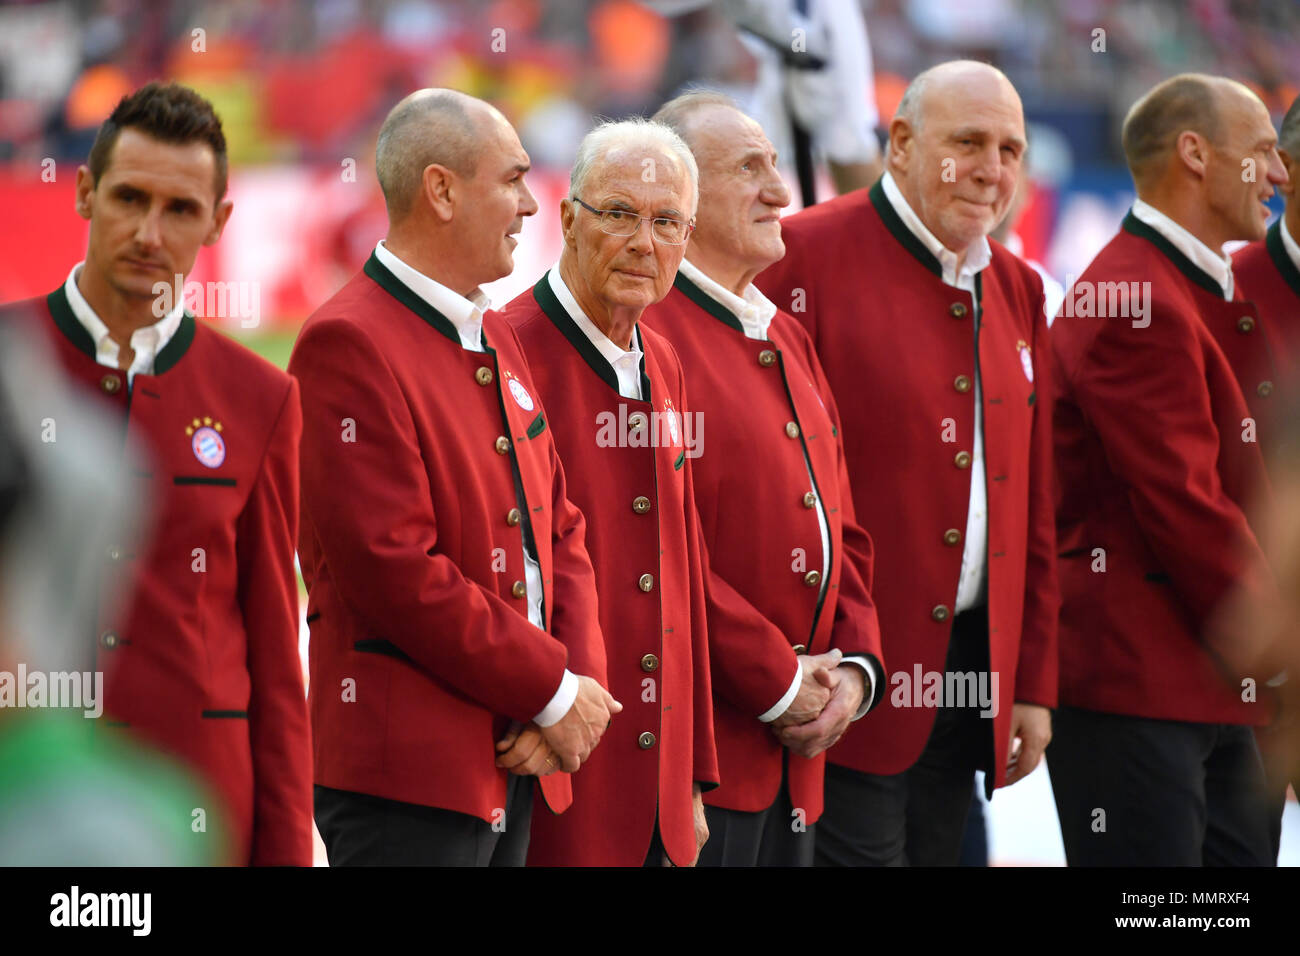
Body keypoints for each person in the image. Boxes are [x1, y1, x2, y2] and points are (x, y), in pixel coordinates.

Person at [290, 89, 617, 866]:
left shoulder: (490, 329)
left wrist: (574, 688)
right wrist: (552, 690)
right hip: (410, 775)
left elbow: (559, 526)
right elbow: (395, 571)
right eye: (512, 180)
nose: (530, 206)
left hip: (517, 753)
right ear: (440, 190)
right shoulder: (346, 342)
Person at [0, 81, 311, 866]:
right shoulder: (9, 366)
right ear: (83, 192)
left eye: (179, 209)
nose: (149, 233)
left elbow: (277, 663)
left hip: (203, 816)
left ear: (218, 221)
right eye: (129, 198)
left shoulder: (261, 397)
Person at [757, 60, 1059, 867]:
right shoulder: (798, 256)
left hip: (969, 685)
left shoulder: (1023, 288)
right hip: (836, 685)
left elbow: (1032, 501)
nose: (993, 169)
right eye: (969, 142)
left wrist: (1030, 680)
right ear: (900, 143)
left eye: (1010, 148)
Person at [1048, 73, 1289, 866]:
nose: (1280, 174)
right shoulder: (1134, 297)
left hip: (1204, 681)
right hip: (1143, 687)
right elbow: (1187, 504)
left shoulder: (1177, 284)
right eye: (1262, 153)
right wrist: (1278, 643)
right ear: (1195, 153)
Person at [644, 91, 885, 866]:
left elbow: (842, 527)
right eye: (751, 170)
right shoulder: (640, 335)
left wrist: (856, 669)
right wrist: (779, 680)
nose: (781, 192)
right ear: (679, 194)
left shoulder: (785, 332)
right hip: (699, 766)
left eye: (777, 166)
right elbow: (653, 554)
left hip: (800, 764)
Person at [498, 118, 718, 866]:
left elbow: (682, 575)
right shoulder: (505, 348)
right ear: (567, 218)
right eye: (620, 214)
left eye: (667, 223)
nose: (644, 242)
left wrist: (693, 769)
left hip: (660, 792)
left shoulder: (666, 359)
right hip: (556, 761)